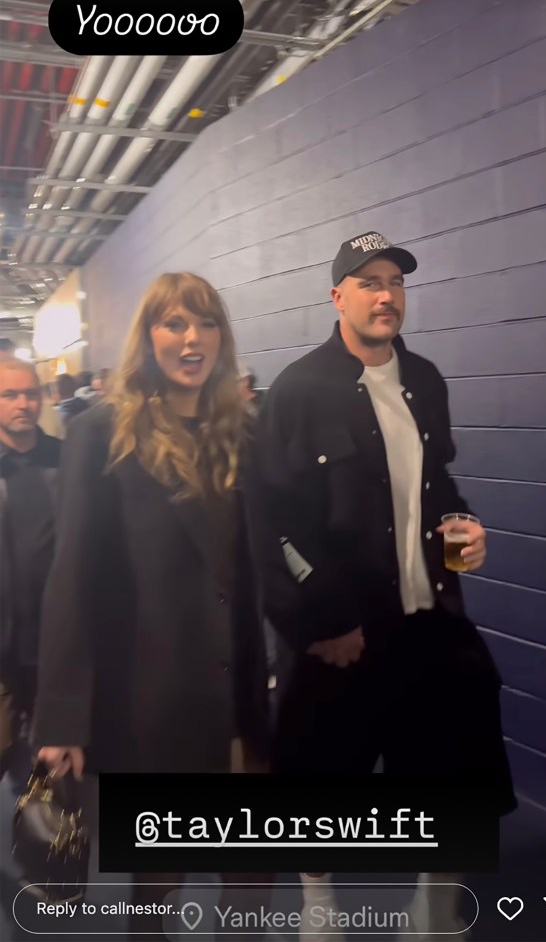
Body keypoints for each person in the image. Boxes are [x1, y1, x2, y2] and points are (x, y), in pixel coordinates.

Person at [251, 231, 516, 940]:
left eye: (394, 281)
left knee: (451, 762)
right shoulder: (297, 390)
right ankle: (320, 904)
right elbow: (272, 525)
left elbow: (438, 484)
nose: (384, 294)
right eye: (366, 281)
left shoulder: (424, 378)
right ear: (336, 296)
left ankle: (431, 903)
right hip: (342, 625)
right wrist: (317, 626)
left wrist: (465, 522)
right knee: (318, 771)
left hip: (426, 616)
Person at [33, 273, 271, 938]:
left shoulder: (241, 433)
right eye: (174, 323)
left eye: (205, 323)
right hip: (151, 701)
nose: (191, 338)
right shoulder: (101, 433)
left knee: (253, 878)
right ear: (148, 338)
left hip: (239, 703)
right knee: (159, 886)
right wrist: (60, 717)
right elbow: (71, 576)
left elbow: (261, 563)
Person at [0, 359, 61, 780]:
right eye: (10, 395)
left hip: (56, 644)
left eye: (30, 393)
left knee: (56, 767)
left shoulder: (68, 459)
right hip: (2, 650)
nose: (23, 403)